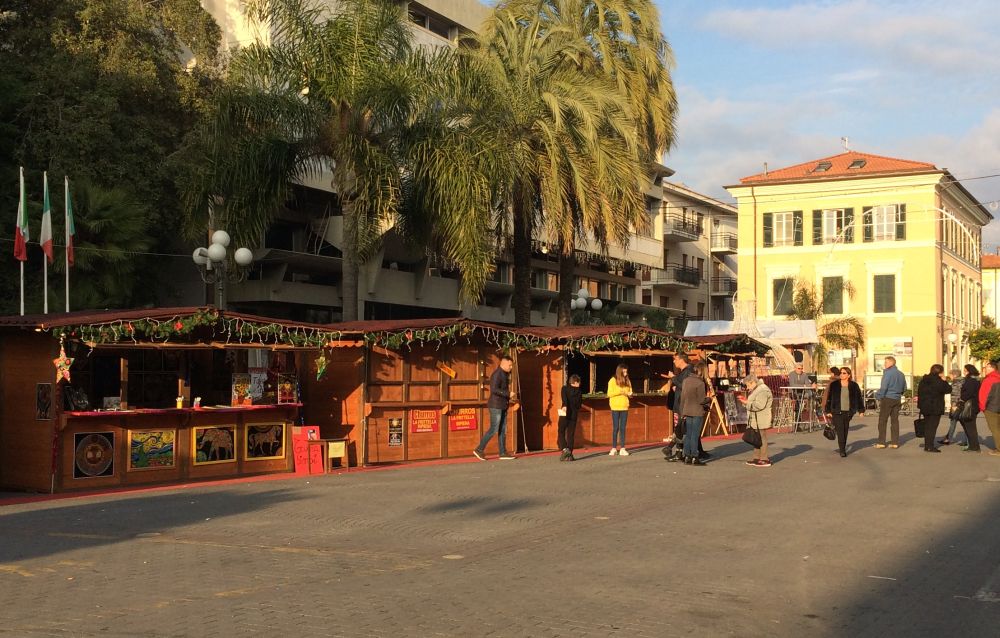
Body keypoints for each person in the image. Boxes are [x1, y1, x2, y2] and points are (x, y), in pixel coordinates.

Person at [474, 355, 517, 461]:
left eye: (512, 365)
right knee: (494, 429)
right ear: (504, 363)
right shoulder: (497, 374)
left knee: (503, 429)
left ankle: (502, 452)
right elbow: (494, 389)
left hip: (502, 405)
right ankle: (479, 449)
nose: (511, 367)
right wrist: (508, 393)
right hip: (496, 405)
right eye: (510, 365)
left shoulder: (504, 374)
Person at [823, 367, 864, 457]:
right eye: (841, 373)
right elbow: (829, 398)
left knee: (845, 430)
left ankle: (843, 446)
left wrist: (861, 410)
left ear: (849, 375)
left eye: (844, 373)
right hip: (837, 411)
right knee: (840, 430)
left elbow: (859, 398)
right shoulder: (834, 385)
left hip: (849, 412)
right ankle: (842, 450)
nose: (842, 374)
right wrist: (828, 410)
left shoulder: (854, 385)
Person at [679, 360, 710, 466]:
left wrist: (682, 411)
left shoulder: (686, 380)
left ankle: (687, 455)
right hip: (697, 411)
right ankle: (695, 456)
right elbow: (702, 400)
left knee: (688, 434)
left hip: (687, 410)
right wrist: (708, 399)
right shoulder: (700, 383)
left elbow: (682, 397)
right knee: (695, 435)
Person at [916, 364, 952, 452]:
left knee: (928, 426)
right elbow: (948, 390)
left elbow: (920, 392)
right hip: (935, 407)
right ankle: (930, 446)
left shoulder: (924, 380)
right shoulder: (938, 381)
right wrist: (944, 380)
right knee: (932, 427)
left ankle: (927, 445)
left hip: (925, 406)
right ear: (940, 372)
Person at [739, 374, 773, 467]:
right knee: (757, 438)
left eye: (748, 385)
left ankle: (764, 459)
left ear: (752, 382)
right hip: (757, 418)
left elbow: (759, 405)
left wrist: (746, 402)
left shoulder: (762, 390)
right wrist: (746, 402)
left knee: (762, 438)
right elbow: (754, 403)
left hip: (761, 418)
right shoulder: (758, 389)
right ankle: (757, 458)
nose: (748, 387)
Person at [875, 356, 907, 448]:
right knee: (895, 421)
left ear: (891, 363)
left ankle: (881, 442)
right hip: (897, 399)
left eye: (886, 362)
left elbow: (884, 387)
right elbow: (904, 387)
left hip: (887, 398)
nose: (884, 364)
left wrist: (878, 396)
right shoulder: (901, 374)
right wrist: (899, 394)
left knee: (882, 420)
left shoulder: (888, 373)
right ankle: (894, 442)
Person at [607, 364, 632, 456]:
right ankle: (613, 448)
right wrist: (620, 391)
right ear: (619, 371)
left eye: (626, 371)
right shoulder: (612, 380)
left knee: (622, 428)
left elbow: (629, 391)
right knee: (615, 428)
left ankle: (622, 448)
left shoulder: (627, 380)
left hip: (624, 406)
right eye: (624, 372)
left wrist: (630, 394)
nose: (625, 373)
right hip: (615, 407)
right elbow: (609, 393)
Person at [558, 375, 583, 461]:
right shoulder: (579, 392)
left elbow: (564, 399)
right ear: (575, 382)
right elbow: (579, 405)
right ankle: (570, 454)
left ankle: (565, 449)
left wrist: (565, 405)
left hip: (564, 413)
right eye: (579, 382)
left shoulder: (564, 388)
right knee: (571, 434)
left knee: (561, 431)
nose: (580, 384)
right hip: (573, 415)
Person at [939, 368, 967, 446]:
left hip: (957, 405)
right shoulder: (963, 381)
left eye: (950, 374)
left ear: (954, 375)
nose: (949, 376)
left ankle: (949, 439)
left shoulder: (956, 382)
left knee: (955, 421)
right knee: (957, 422)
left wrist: (954, 405)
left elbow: (955, 394)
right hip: (961, 404)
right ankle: (948, 438)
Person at [981, 361, 1000, 456]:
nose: (985, 369)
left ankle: (999, 449)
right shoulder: (998, 378)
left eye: (987, 367)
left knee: (995, 429)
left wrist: (982, 407)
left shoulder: (989, 380)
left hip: (991, 407)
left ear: (992, 368)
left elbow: (984, 395)